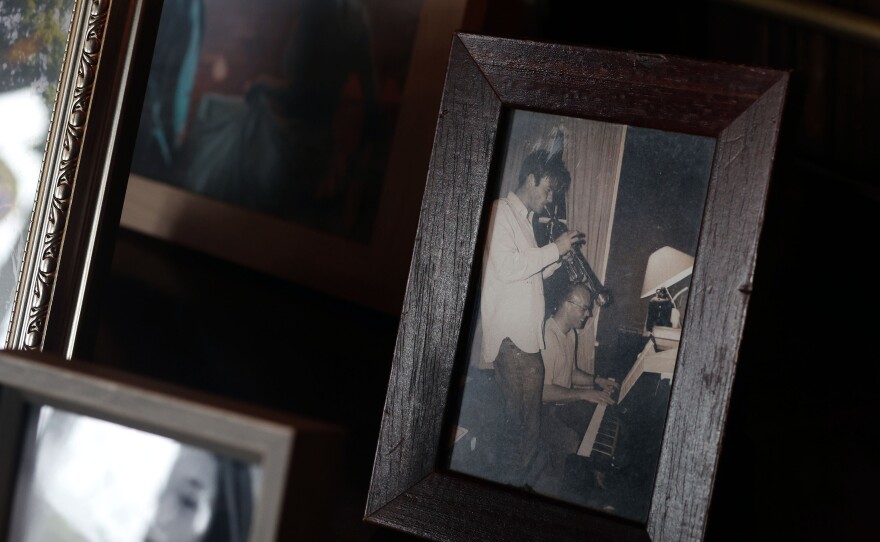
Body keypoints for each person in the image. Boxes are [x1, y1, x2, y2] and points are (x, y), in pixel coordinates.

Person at [479, 145, 584, 488]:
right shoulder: (500, 212)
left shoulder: (524, 222)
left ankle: (514, 492)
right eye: (549, 188)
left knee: (527, 432)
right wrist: (555, 249)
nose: (551, 198)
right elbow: (509, 267)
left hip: (526, 343)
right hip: (513, 344)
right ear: (530, 178)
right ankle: (506, 498)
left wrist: (557, 261)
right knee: (521, 434)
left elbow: (528, 274)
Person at [537, 282, 619, 494]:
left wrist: (597, 381)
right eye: (584, 308)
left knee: (599, 417)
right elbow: (544, 392)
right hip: (544, 413)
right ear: (567, 304)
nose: (588, 314)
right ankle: (562, 490)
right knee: (572, 441)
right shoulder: (547, 336)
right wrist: (584, 393)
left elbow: (570, 372)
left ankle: (594, 475)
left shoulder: (570, 333)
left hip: (563, 404)